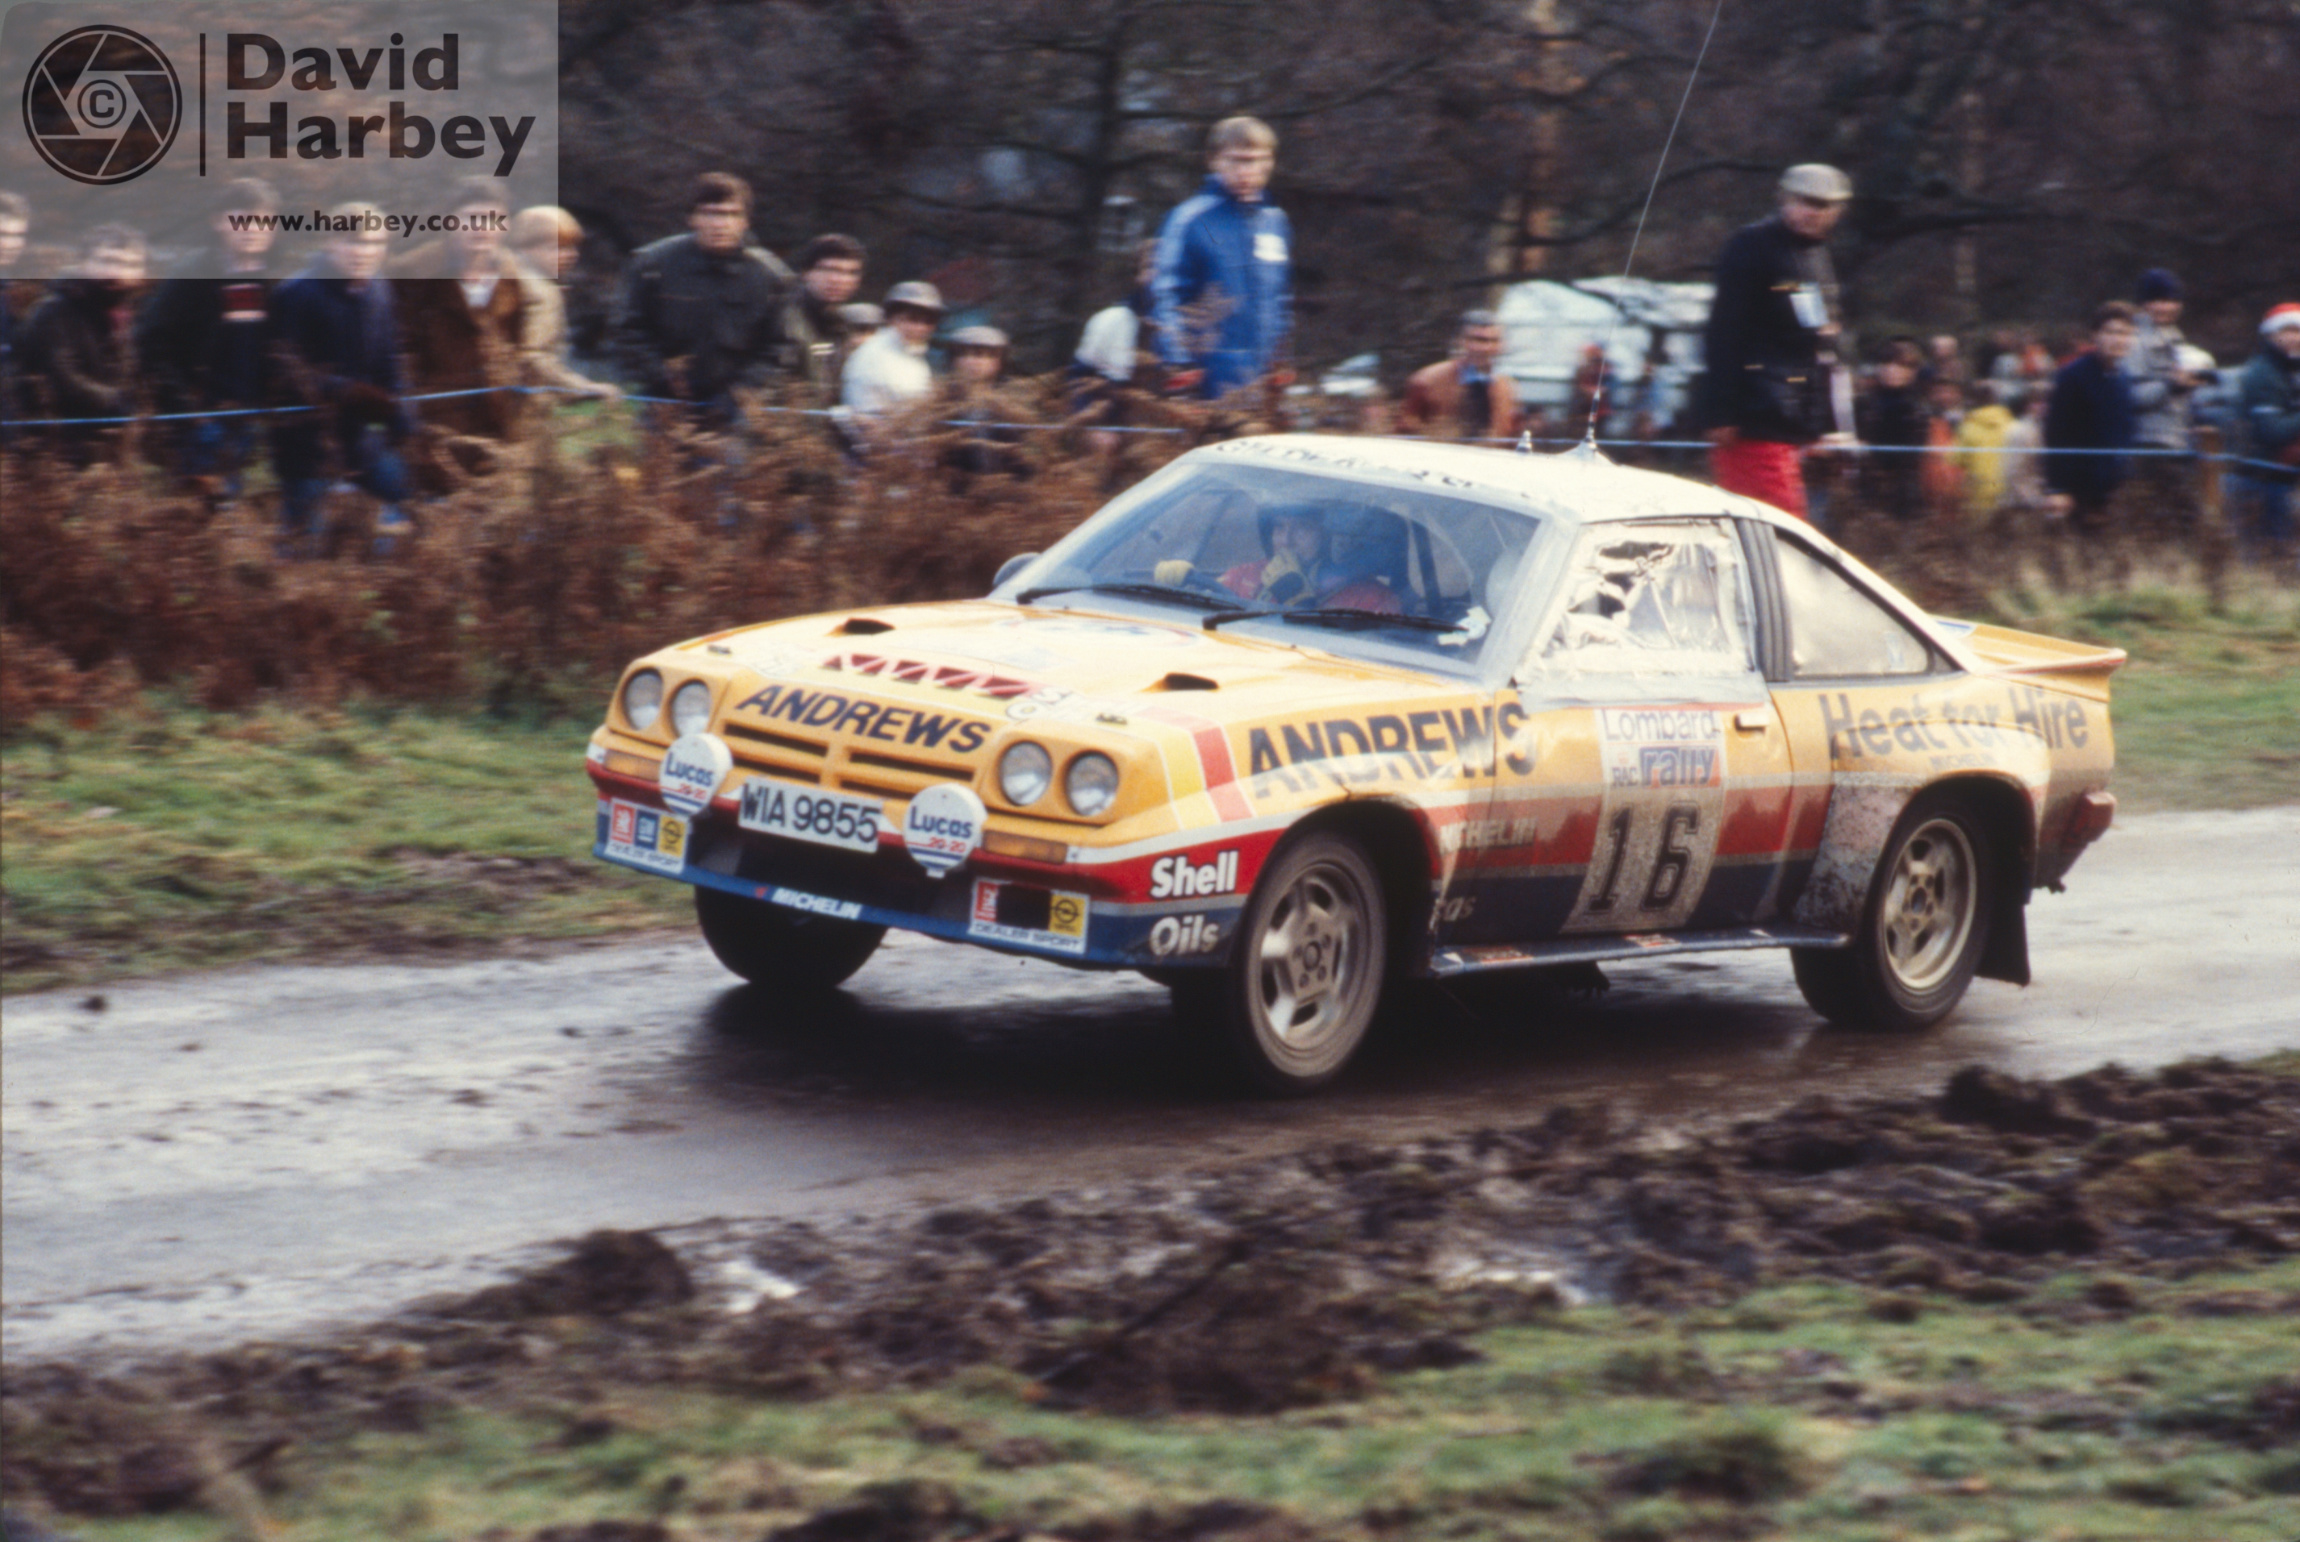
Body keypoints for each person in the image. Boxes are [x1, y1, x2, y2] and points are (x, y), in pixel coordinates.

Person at [1696, 162, 1854, 520]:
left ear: (1838, 211)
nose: (1811, 212)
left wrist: (1826, 426)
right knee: (1776, 530)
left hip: (1796, 425)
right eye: (1803, 201)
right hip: (1753, 419)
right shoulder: (1751, 246)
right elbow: (1724, 331)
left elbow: (1822, 346)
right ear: (1783, 198)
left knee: (1789, 533)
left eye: (1822, 205)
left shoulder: (1817, 257)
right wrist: (1722, 410)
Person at [269, 208, 414, 557]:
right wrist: (345, 390)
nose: (363, 251)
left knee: (400, 498)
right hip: (306, 439)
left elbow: (390, 358)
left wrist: (402, 407)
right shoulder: (297, 293)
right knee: (305, 539)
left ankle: (382, 589)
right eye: (352, 241)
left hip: (364, 436)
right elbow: (282, 370)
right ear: (330, 243)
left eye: (373, 242)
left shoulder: (380, 289)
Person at [135, 178, 284, 497]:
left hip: (245, 419)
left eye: (261, 220)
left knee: (229, 509)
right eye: (239, 219)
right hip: (198, 421)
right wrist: (187, 413)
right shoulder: (190, 275)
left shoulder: (269, 280)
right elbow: (149, 342)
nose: (251, 229)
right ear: (218, 222)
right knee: (195, 512)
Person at [614, 172, 791, 429]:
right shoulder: (652, 266)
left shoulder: (771, 277)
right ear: (692, 218)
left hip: (736, 412)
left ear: (746, 221)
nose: (720, 224)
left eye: (731, 214)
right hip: (664, 405)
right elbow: (627, 330)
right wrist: (662, 377)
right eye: (709, 213)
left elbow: (780, 348)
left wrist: (744, 390)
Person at [391, 179, 547, 448]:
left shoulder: (517, 277)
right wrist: (412, 412)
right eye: (471, 218)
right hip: (437, 422)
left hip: (501, 419)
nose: (482, 229)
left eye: (493, 220)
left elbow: (526, 349)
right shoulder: (414, 271)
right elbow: (398, 349)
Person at [1150, 115, 1292, 401]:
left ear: (1269, 162)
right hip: (1205, 377)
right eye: (1236, 160)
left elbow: (1282, 299)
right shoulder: (1190, 219)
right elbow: (1165, 295)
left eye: (1255, 160)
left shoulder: (1275, 222)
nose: (1246, 170)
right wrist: (1180, 366)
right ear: (1214, 161)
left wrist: (1281, 359)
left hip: (1260, 378)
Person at [17, 223, 147, 466]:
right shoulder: (54, 311)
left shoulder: (123, 315)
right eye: (107, 260)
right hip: (53, 453)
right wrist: (116, 402)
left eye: (128, 265)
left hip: (107, 451)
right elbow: (61, 378)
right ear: (84, 263)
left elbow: (130, 374)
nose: (115, 272)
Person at [2043, 301, 2140, 556]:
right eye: (2110, 332)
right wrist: (2058, 488)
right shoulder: (2072, 376)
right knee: (2075, 559)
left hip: (2111, 489)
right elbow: (2056, 432)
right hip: (2076, 490)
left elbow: (2124, 430)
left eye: (2125, 333)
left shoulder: (2123, 378)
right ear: (2096, 335)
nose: (2117, 339)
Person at [507, 205, 619, 404]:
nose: (571, 255)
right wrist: (584, 388)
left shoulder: (505, 279)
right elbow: (533, 356)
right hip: (522, 405)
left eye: (573, 247)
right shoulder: (542, 292)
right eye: (557, 247)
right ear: (525, 248)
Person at [2126, 267, 2203, 537]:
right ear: (2144, 304)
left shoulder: (2175, 337)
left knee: (2176, 523)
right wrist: (2169, 385)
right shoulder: (2133, 340)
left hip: (2177, 441)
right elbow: (2129, 396)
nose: (2165, 307)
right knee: (2181, 522)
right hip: (2149, 444)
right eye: (2157, 300)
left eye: (2171, 300)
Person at [2231, 303, 2300, 569]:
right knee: (2267, 557)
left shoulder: (2291, 370)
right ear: (2270, 335)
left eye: (2298, 331)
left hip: (2285, 477)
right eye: (2287, 330)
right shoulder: (2263, 373)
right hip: (2260, 478)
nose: (2294, 337)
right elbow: (2272, 432)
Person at [1399, 309, 1519, 442]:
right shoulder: (1427, 382)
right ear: (1460, 341)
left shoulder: (1506, 389)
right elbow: (1404, 436)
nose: (1486, 348)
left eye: (1494, 341)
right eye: (1478, 340)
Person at [839, 279, 942, 431]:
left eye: (928, 321)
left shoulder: (915, 355)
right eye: (912, 319)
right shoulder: (871, 356)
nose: (920, 328)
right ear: (892, 318)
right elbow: (865, 423)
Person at [781, 233, 867, 398]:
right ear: (806, 272)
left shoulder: (841, 325)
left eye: (850, 273)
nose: (838, 279)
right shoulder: (782, 317)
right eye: (829, 269)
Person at [1857, 338, 1927, 522]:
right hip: (1867, 489)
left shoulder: (1918, 409)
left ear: (1912, 372)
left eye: (1901, 365)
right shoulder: (1864, 404)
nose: (1891, 370)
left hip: (1905, 492)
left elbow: (1915, 457)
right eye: (1886, 363)